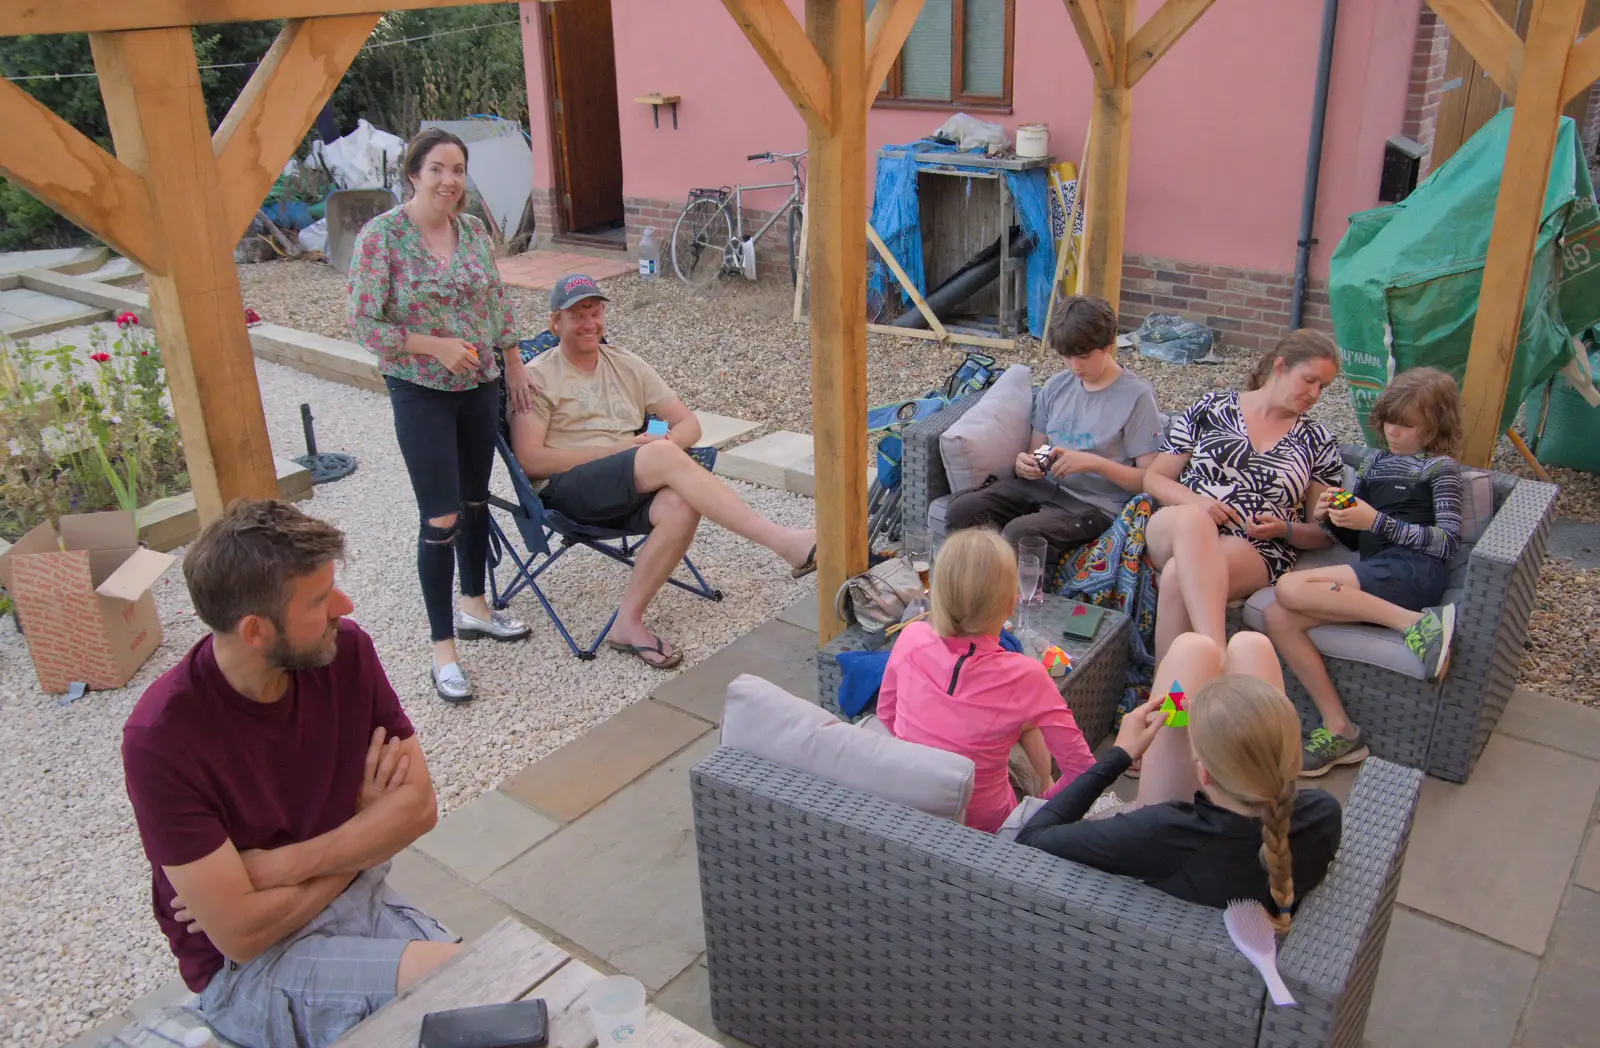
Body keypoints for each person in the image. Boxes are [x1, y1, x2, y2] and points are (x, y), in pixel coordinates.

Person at [121, 500, 458, 1048]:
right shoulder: (161, 738)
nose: (344, 608)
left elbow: (419, 808)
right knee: (451, 990)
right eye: (320, 600)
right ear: (255, 630)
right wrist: (363, 839)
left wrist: (272, 868)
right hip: (249, 972)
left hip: (357, 903)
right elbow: (241, 935)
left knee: (482, 993)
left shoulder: (346, 653)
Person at [508, 273, 818, 670]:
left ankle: (627, 622)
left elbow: (688, 424)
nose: (589, 323)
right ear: (555, 323)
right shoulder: (536, 376)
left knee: (679, 504)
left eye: (596, 312)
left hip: (626, 481)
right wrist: (632, 447)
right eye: (577, 315)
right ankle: (784, 542)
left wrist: (659, 442)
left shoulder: (624, 363)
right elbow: (531, 460)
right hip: (569, 489)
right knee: (660, 454)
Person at [349, 126, 536, 704]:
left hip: (479, 384)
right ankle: (443, 651)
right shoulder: (382, 238)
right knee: (440, 517)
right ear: (414, 173)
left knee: (476, 502)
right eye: (438, 169)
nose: (450, 181)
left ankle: (477, 606)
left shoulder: (474, 230)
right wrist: (435, 346)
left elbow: (495, 298)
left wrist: (512, 360)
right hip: (420, 389)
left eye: (458, 170)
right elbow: (364, 322)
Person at [1017, 631, 1342, 927]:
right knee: (1251, 644)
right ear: (1291, 759)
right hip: (1233, 867)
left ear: (1202, 774)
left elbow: (1031, 838)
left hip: (1177, 864)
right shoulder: (1322, 814)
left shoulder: (1159, 829)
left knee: (1192, 648)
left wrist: (1120, 754)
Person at [1264, 367, 1464, 775]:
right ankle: (1341, 730)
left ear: (1433, 426)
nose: (1394, 431)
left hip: (1414, 571)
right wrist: (1331, 518)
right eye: (1390, 420)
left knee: (1288, 586)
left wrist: (1377, 522)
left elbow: (1447, 543)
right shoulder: (1375, 464)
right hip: (1378, 571)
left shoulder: (1439, 469)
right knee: (1277, 615)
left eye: (1407, 425)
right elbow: (1354, 540)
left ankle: (1418, 625)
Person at [1143, 330, 1345, 664]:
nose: (1315, 394)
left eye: (1323, 387)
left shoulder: (1318, 441)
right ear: (1280, 367)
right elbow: (1154, 478)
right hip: (1178, 525)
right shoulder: (1210, 408)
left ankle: (1169, 704)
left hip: (1252, 546)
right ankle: (1218, 654)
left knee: (1180, 576)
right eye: (1309, 380)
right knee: (1195, 521)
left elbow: (1322, 533)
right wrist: (1199, 502)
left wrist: (1284, 529)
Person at [876, 528, 1096, 833]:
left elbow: (886, 714)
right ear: (1010, 605)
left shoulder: (911, 637)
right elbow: (1084, 774)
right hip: (984, 832)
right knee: (1027, 728)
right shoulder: (1026, 676)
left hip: (909, 808)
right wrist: (1040, 806)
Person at [944, 294, 1164, 569]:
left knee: (1021, 535)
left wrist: (1095, 464)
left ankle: (1026, 606)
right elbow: (1036, 450)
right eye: (1067, 357)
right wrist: (1025, 464)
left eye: (1084, 357)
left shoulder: (1136, 397)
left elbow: (1150, 482)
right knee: (962, 510)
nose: (1075, 367)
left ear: (1109, 345)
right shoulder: (1056, 386)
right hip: (1043, 488)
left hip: (1094, 506)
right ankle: (962, 594)